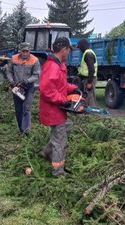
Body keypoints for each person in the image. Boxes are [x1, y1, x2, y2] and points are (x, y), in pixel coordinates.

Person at [38, 37, 79, 177]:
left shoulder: (59, 64)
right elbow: (46, 90)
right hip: (53, 109)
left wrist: (73, 88)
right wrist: (63, 101)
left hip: (57, 108)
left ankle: (47, 152)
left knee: (68, 126)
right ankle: (58, 172)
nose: (69, 53)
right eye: (68, 50)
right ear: (63, 50)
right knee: (60, 142)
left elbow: (60, 85)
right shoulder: (52, 67)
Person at [7, 42, 41, 135]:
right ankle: (21, 129)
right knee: (18, 109)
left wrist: (27, 80)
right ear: (20, 51)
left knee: (26, 108)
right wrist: (12, 81)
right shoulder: (13, 59)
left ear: (30, 51)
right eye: (23, 51)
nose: (25, 53)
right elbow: (9, 71)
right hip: (17, 87)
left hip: (29, 87)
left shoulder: (35, 60)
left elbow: (36, 75)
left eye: (27, 51)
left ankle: (26, 131)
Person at [77, 38, 98, 107]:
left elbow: (91, 69)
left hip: (89, 79)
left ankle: (92, 113)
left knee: (90, 96)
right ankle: (88, 111)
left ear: (83, 46)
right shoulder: (88, 53)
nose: (79, 49)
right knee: (87, 96)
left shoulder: (88, 54)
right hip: (87, 78)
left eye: (80, 47)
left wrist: (89, 82)